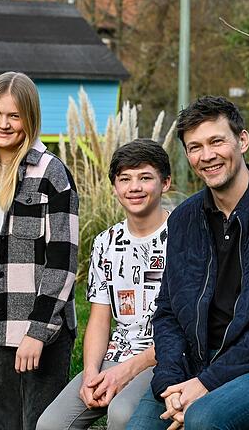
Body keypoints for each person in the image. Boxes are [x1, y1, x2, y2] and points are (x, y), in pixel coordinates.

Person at [127, 96, 249, 430]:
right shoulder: (185, 218)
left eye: (216, 141)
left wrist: (206, 384)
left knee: (204, 419)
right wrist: (171, 384)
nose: (207, 156)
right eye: (194, 147)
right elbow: (168, 311)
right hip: (195, 365)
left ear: (242, 141)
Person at [0, 71, 79, 430]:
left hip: (39, 311)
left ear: (29, 118)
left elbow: (63, 262)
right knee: (0, 419)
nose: (3, 124)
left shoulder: (51, 173)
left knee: (39, 422)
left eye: (13, 116)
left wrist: (37, 331)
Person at [37, 139, 172, 430]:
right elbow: (99, 319)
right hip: (117, 355)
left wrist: (125, 373)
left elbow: (188, 327)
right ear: (114, 187)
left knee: (123, 415)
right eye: (125, 179)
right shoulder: (105, 242)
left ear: (166, 183)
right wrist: (89, 374)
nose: (134, 187)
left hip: (162, 358)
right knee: (51, 424)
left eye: (145, 178)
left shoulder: (183, 238)